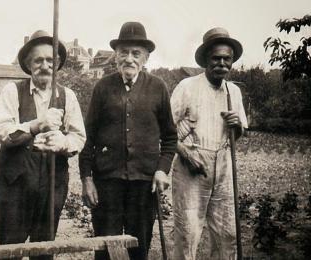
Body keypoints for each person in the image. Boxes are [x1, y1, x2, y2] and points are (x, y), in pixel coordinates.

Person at [79, 21, 177, 260]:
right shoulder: (103, 87)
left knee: (138, 247)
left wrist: (162, 170)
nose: (129, 58)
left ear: (145, 57)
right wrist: (87, 179)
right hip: (107, 183)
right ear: (116, 56)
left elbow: (170, 137)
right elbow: (87, 138)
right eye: (124, 52)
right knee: (106, 248)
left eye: (136, 53)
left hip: (144, 185)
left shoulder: (158, 87)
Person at [0, 30, 86, 260]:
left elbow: (79, 137)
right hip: (16, 182)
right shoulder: (12, 91)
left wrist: (62, 143)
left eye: (50, 60)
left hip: (53, 181)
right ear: (28, 63)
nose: (45, 65)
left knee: (44, 250)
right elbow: (5, 133)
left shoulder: (68, 96)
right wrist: (36, 125)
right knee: (10, 250)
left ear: (58, 63)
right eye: (38, 60)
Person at [170, 27, 248, 260]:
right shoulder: (187, 87)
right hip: (190, 166)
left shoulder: (233, 91)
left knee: (228, 235)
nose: (221, 64)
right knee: (188, 235)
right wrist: (186, 153)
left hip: (223, 168)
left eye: (227, 59)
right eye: (216, 58)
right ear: (206, 59)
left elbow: (237, 135)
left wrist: (237, 127)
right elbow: (165, 131)